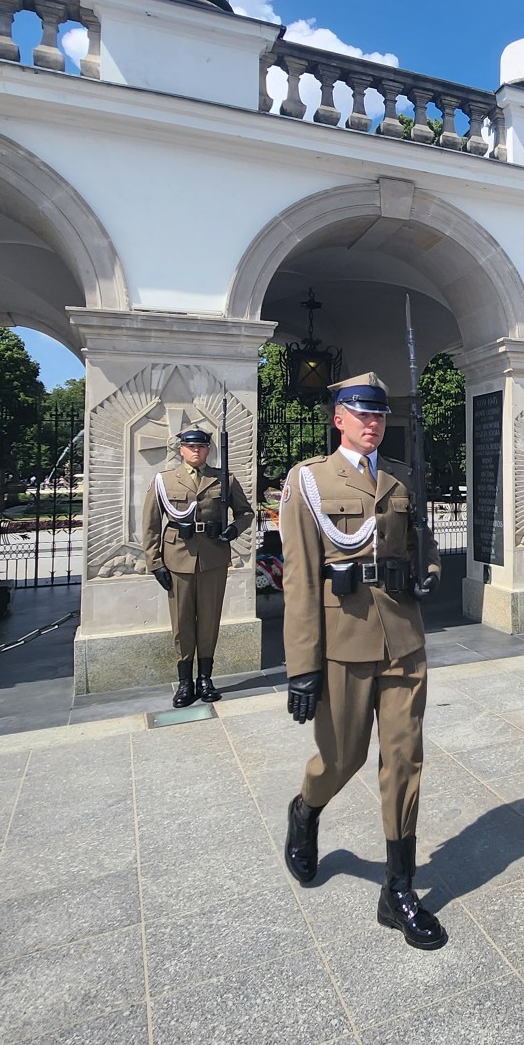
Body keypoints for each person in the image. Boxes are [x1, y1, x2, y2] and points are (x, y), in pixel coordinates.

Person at [278, 372, 447, 950]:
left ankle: (398, 889)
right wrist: (302, 666)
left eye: (379, 414)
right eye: (361, 413)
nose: (373, 422)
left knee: (404, 759)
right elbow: (300, 579)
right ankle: (306, 808)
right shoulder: (309, 481)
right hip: (342, 640)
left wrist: (428, 572)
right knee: (341, 757)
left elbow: (423, 545)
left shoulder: (400, 478)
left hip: (403, 637)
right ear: (339, 419)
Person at [143, 425, 253, 708]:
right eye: (191, 447)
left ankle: (205, 678)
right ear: (181, 450)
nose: (196, 451)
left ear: (208, 450)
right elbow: (151, 524)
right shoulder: (164, 480)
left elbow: (245, 512)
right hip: (177, 557)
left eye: (201, 447)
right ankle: (185, 681)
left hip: (213, 557)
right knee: (182, 622)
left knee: (209, 619)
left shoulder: (224, 478)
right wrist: (155, 562)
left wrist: (233, 530)